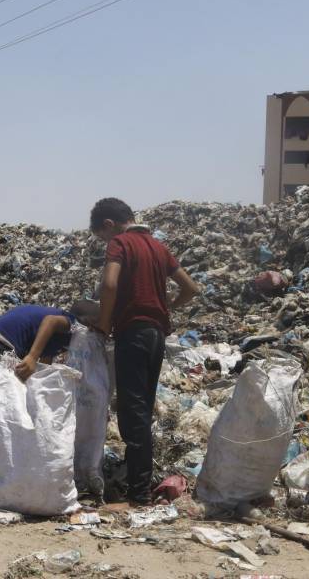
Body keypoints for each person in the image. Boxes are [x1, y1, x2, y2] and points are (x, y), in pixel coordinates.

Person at [90, 197, 199, 505]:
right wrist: (166, 309)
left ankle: (138, 495)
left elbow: (109, 285)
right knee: (143, 410)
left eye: (103, 236)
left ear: (110, 225)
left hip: (133, 334)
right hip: (156, 336)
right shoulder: (158, 246)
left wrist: (103, 323)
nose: (105, 242)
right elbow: (191, 289)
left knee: (132, 414)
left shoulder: (121, 244)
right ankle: (141, 485)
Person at [0, 302, 100, 500]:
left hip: (0, 338)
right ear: (88, 321)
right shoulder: (72, 324)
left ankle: (1, 479)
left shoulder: (60, 339)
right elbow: (50, 322)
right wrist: (31, 357)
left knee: (13, 412)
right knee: (4, 416)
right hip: (7, 343)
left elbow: (43, 365)